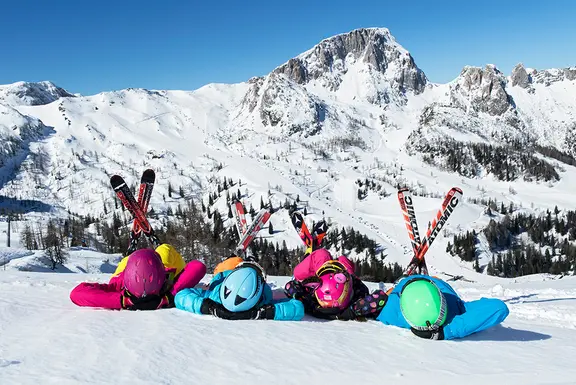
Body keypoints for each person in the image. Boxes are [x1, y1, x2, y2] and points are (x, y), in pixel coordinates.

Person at [70, 244, 206, 311]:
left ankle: (145, 254)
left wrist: (124, 301)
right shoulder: (120, 283)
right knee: (165, 249)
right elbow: (198, 267)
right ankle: (146, 253)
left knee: (160, 253)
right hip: (134, 266)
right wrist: (168, 297)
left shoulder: (118, 285)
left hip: (139, 267)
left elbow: (77, 293)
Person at [376, 275, 509, 340]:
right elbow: (499, 308)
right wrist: (446, 332)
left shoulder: (391, 313)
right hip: (427, 281)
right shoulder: (456, 312)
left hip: (402, 287)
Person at [175, 260, 304, 321]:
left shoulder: (214, 296)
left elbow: (182, 296)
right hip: (232, 272)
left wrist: (208, 307)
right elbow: (296, 308)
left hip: (232, 272)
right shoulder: (262, 301)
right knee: (232, 263)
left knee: (231, 263)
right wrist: (261, 313)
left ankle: (236, 262)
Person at [284, 249, 388, 321]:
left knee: (322, 254)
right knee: (343, 260)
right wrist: (353, 310)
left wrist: (299, 293)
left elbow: (290, 286)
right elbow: (381, 297)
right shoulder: (354, 308)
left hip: (323, 275)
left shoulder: (311, 304)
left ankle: (312, 261)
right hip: (341, 278)